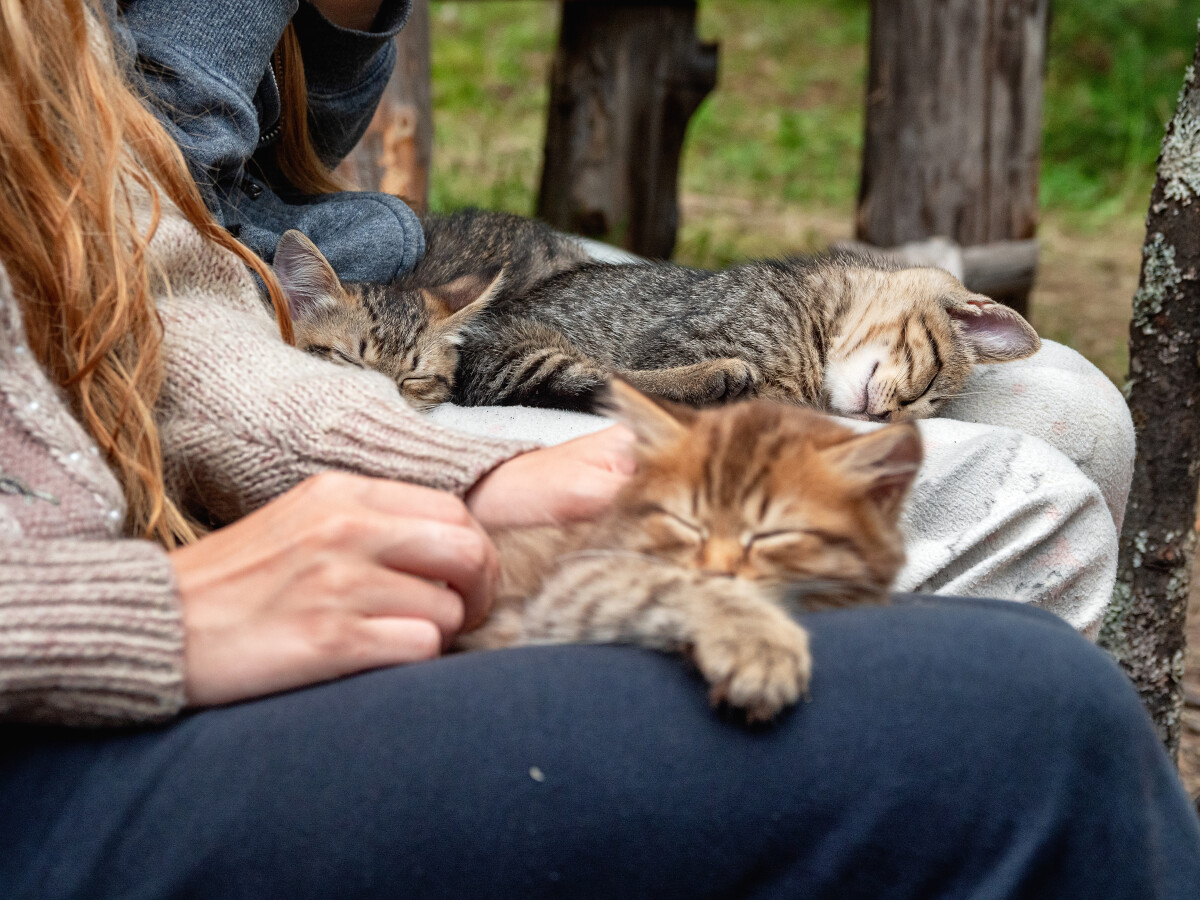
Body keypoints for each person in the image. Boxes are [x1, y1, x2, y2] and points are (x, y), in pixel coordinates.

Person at [2, 2, 1198, 898]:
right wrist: (139, 612)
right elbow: (181, 166)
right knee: (1038, 677)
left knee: (1061, 419)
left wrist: (462, 466)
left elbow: (135, 250)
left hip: (358, 273)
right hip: (73, 735)